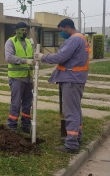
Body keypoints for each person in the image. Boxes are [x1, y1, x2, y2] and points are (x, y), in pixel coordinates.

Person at [34, 18, 90, 154]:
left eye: (61, 31)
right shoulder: (81, 38)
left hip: (71, 79)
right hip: (76, 79)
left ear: (66, 27)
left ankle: (71, 144)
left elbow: (60, 57)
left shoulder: (74, 39)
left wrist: (42, 57)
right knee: (75, 109)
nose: (61, 34)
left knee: (70, 111)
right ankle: (77, 136)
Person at [5, 22, 35, 134]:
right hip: (16, 78)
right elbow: (9, 57)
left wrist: (35, 59)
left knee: (28, 103)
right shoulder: (11, 41)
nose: (25, 32)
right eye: (22, 30)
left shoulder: (29, 42)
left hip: (28, 78)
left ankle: (26, 125)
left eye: (26, 30)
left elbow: (32, 57)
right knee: (16, 103)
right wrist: (25, 61)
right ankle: (11, 125)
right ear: (16, 30)